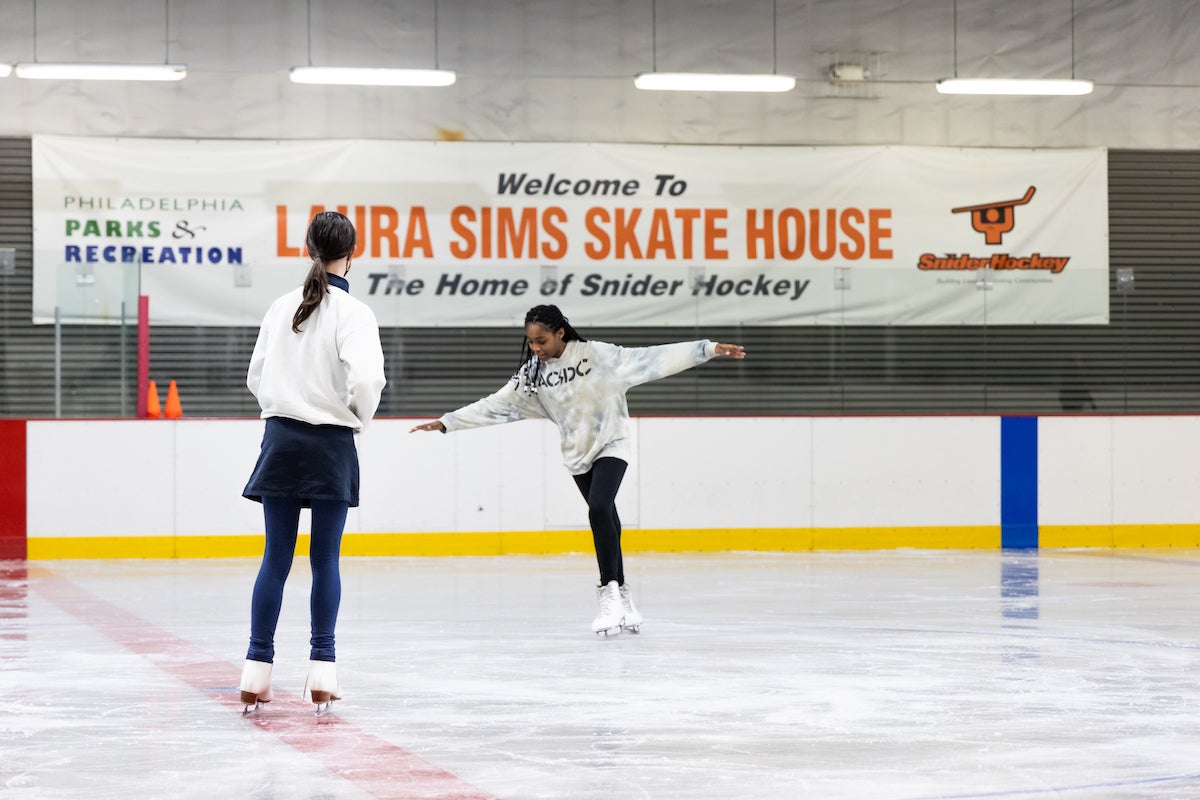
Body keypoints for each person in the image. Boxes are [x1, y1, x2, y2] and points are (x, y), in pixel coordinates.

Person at [411, 304, 745, 636]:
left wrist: (708, 349)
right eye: (531, 342)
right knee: (608, 518)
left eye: (542, 340)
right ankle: (625, 597)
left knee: (599, 508)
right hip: (577, 455)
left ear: (560, 332)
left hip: (613, 443)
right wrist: (446, 422)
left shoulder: (599, 356)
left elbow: (653, 358)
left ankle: (608, 591)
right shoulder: (533, 376)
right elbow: (496, 404)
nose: (536, 348)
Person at [238, 211, 386, 714]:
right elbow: (366, 383)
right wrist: (354, 418)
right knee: (325, 561)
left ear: (307, 249)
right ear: (353, 253)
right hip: (330, 445)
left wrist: (283, 409)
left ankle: (255, 672)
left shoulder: (281, 306)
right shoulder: (355, 312)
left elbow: (257, 375)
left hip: (280, 441)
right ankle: (323, 671)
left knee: (274, 559)